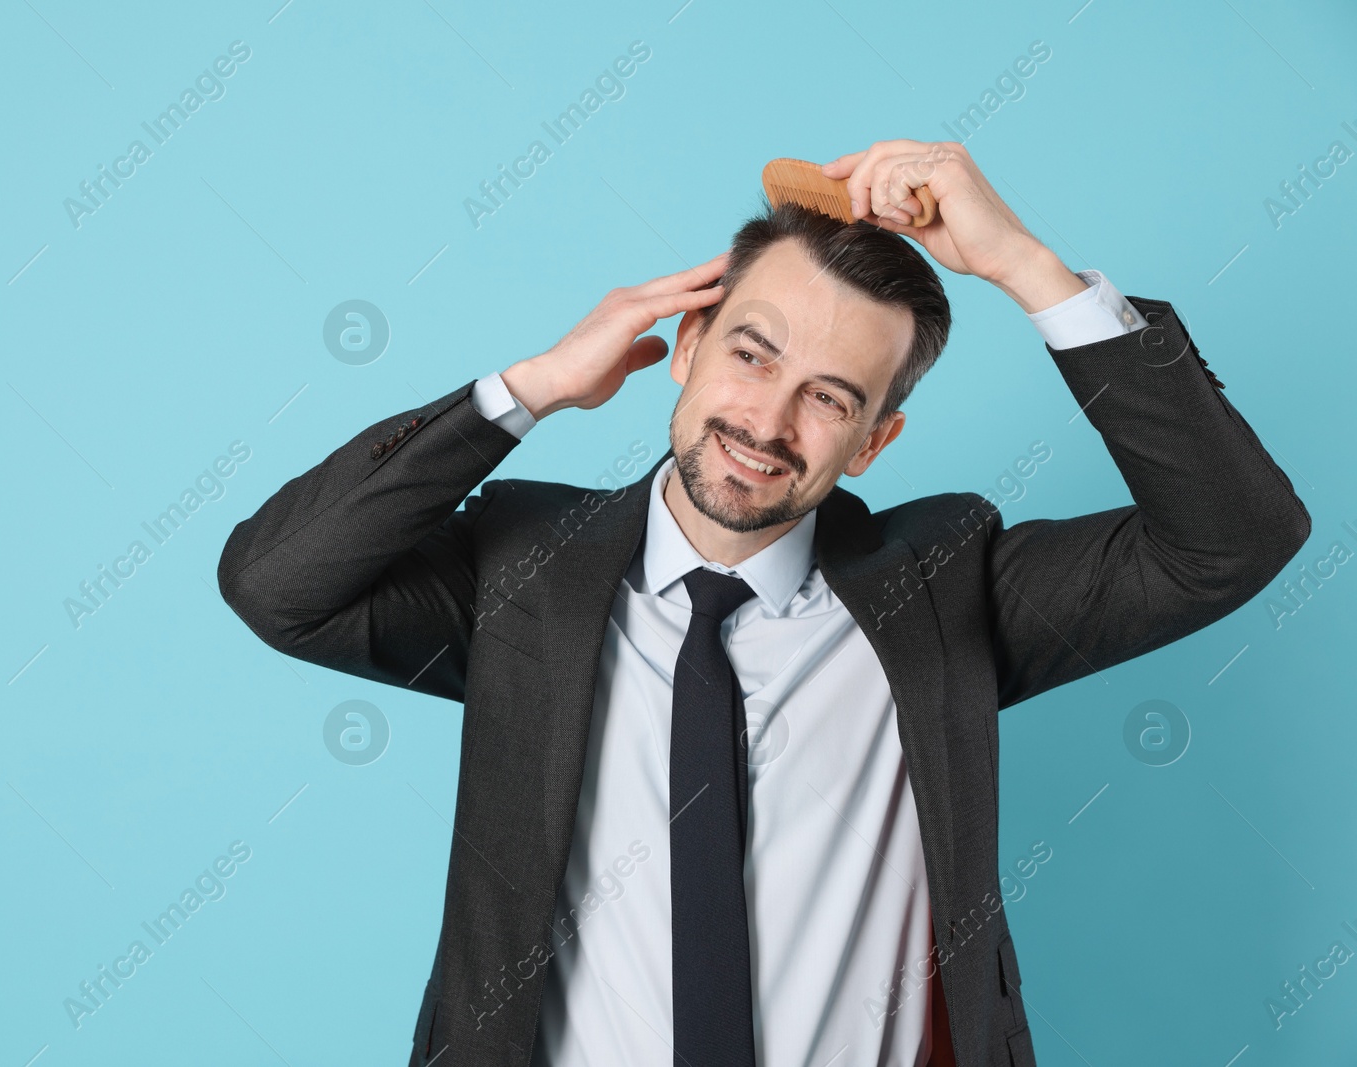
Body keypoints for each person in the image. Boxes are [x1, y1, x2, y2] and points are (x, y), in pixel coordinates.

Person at [216, 139, 1309, 1067]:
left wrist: (1028, 268)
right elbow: (278, 582)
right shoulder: (521, 572)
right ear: (685, 346)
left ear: (875, 440)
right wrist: (530, 387)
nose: (768, 420)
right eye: (751, 353)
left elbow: (1235, 536)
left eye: (830, 398)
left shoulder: (946, 585)